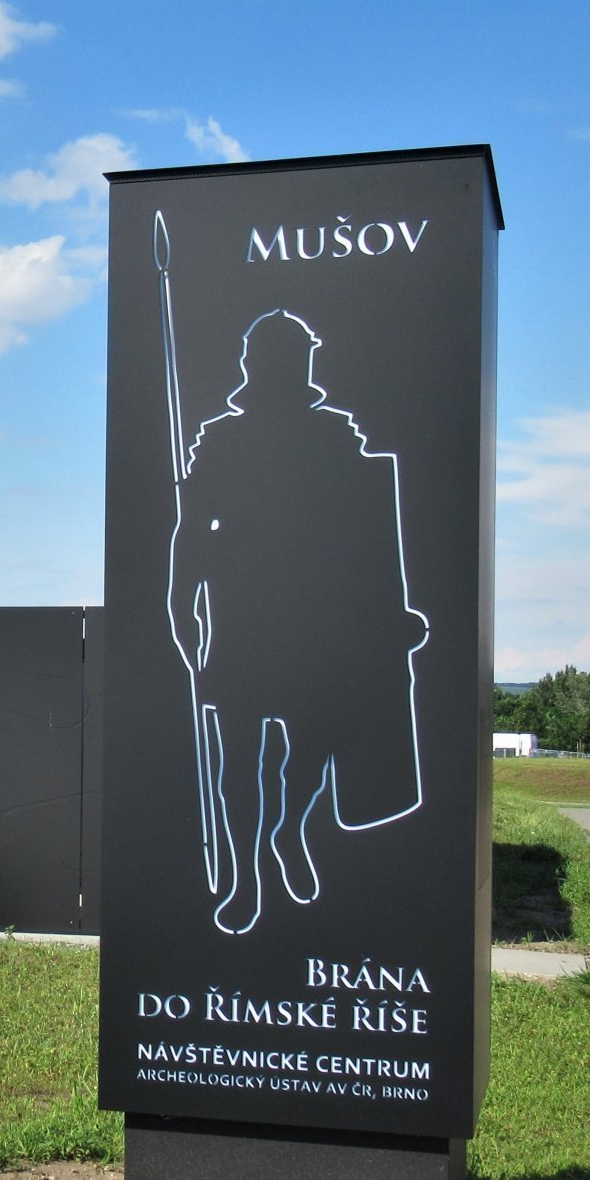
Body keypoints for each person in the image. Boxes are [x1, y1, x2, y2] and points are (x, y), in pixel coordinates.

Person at [166, 309, 429, 935]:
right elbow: (191, 532)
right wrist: (182, 605)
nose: (288, 367)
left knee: (314, 748)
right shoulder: (223, 440)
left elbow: (367, 537)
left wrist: (389, 618)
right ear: (254, 364)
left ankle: (286, 831)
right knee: (239, 762)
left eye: (297, 357)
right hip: (243, 620)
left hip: (322, 627)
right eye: (278, 357)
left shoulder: (336, 437)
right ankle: (244, 878)